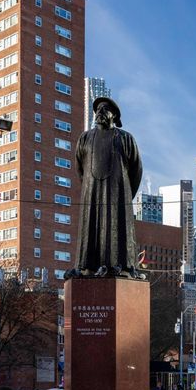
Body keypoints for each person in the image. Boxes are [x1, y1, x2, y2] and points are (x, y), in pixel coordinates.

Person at [73, 96, 143, 278]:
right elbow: (80, 168)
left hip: (118, 195)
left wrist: (124, 194)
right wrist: (90, 187)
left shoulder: (126, 138)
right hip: (92, 193)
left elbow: (136, 171)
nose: (100, 112)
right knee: (90, 228)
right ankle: (87, 266)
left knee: (118, 231)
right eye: (98, 109)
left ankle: (121, 266)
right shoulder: (85, 138)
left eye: (105, 109)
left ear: (115, 116)